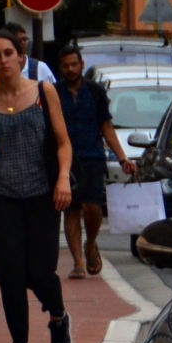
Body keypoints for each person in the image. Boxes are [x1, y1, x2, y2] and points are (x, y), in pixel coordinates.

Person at [0, 28, 74, 343]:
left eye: (8, 53)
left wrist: (62, 178)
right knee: (11, 275)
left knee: (40, 271)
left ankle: (57, 316)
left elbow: (62, 142)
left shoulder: (44, 92)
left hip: (42, 193)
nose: (3, 60)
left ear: (19, 56)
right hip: (1, 196)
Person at [56, 44, 135, 278]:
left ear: (82, 65)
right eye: (65, 65)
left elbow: (106, 127)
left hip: (92, 157)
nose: (70, 69)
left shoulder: (96, 92)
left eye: (74, 64)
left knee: (92, 206)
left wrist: (122, 158)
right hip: (65, 159)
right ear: (60, 68)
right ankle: (78, 263)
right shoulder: (53, 92)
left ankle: (90, 243)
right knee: (70, 210)